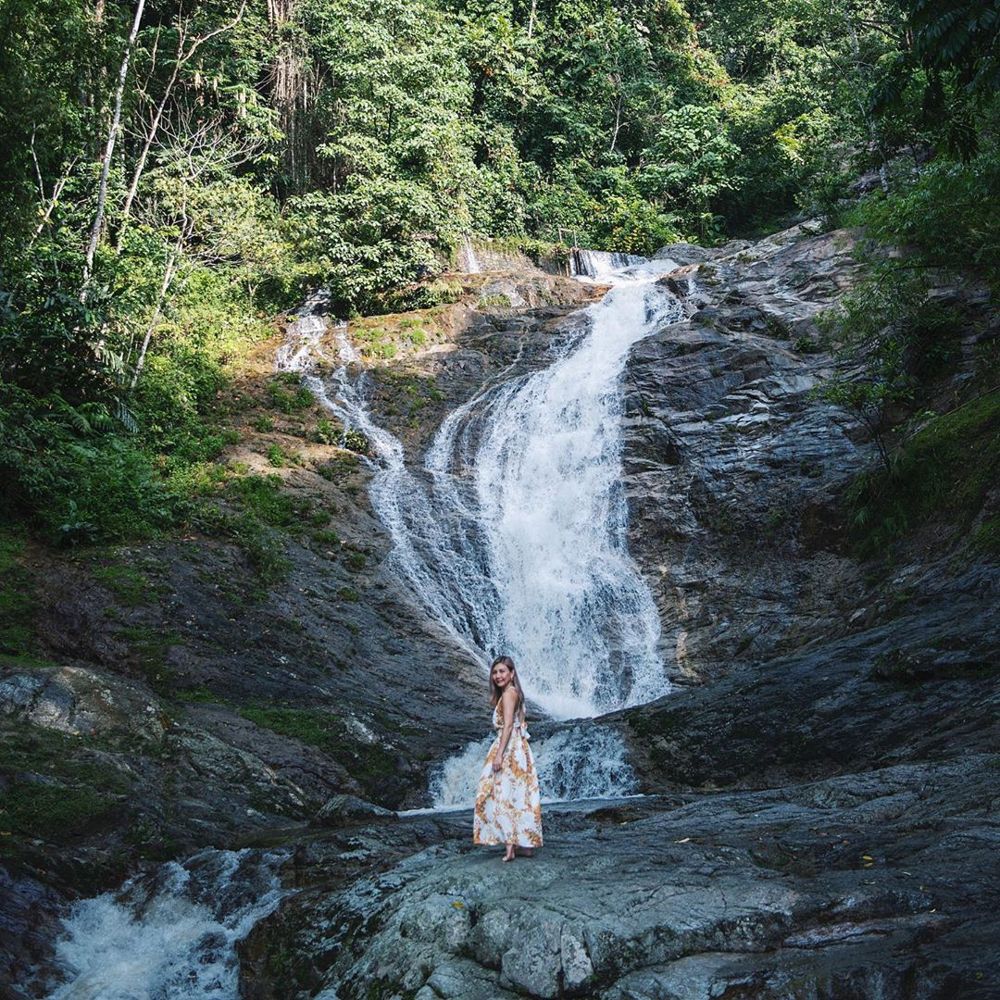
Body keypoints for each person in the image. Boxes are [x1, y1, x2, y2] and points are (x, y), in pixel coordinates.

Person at [473, 655, 543, 861]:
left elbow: (509, 725)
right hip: (519, 747)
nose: (498, 676)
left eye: (502, 671)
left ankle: (510, 846)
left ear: (512, 673)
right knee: (518, 794)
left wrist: (499, 754)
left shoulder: (509, 693)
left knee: (500, 791)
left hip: (509, 747)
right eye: (495, 672)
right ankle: (524, 845)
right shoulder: (513, 692)